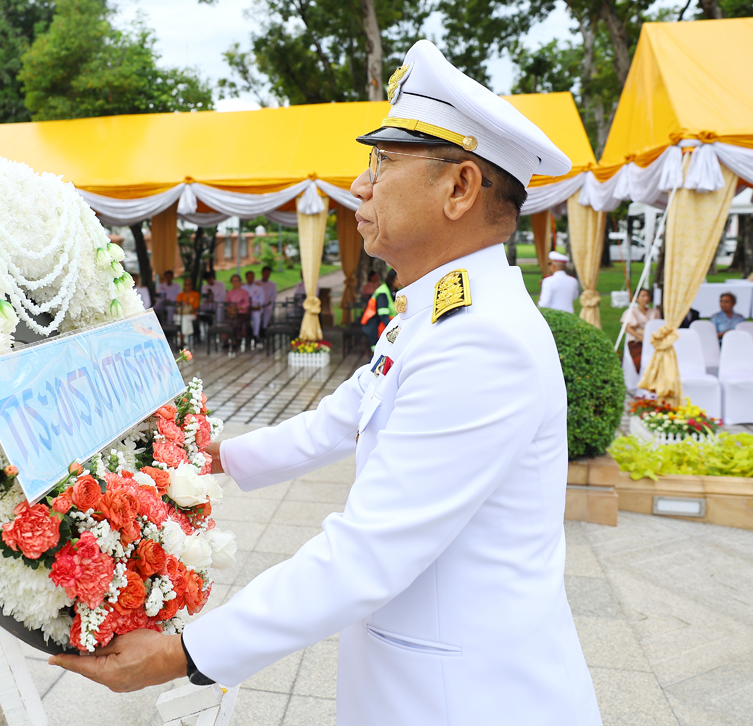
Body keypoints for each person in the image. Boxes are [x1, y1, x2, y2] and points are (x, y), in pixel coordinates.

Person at [51, 39, 601, 726]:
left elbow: (368, 553)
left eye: (383, 163)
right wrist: (214, 456)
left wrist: (178, 653)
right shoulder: (438, 310)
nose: (360, 187)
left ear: (460, 188)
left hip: (469, 698)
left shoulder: (482, 341)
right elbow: (346, 415)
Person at [620, 288, 659, 372]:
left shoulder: (655, 312)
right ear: (637, 298)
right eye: (643, 296)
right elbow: (628, 327)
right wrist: (640, 337)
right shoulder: (631, 312)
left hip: (652, 340)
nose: (646, 298)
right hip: (636, 341)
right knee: (641, 360)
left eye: (647, 296)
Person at [360, 268, 399, 342]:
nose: (400, 281)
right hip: (377, 326)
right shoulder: (382, 292)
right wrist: (394, 329)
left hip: (388, 325)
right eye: (397, 279)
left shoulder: (395, 291)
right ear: (391, 279)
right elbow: (383, 315)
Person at [224, 274, 251, 348]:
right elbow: (226, 304)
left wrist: (238, 308)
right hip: (232, 313)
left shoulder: (244, 292)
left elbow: (247, 304)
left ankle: (237, 340)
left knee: (237, 321)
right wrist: (230, 309)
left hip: (241, 313)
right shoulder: (229, 293)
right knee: (226, 321)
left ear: (240, 282)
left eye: (237, 281)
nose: (235, 283)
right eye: (233, 281)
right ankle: (226, 340)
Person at [243, 270, 265, 339]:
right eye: (249, 277)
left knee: (256, 317)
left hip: (255, 308)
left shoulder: (259, 288)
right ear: (246, 278)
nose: (250, 279)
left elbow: (261, 300)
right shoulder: (242, 288)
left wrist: (255, 306)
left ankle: (255, 335)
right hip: (244, 309)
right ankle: (243, 334)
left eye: (252, 277)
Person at [258, 265, 279, 331]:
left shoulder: (273, 284)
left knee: (268, 310)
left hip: (267, 304)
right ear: (262, 273)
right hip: (258, 304)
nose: (267, 275)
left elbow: (274, 296)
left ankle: (264, 328)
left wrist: (268, 302)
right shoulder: (256, 283)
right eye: (265, 273)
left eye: (268, 273)